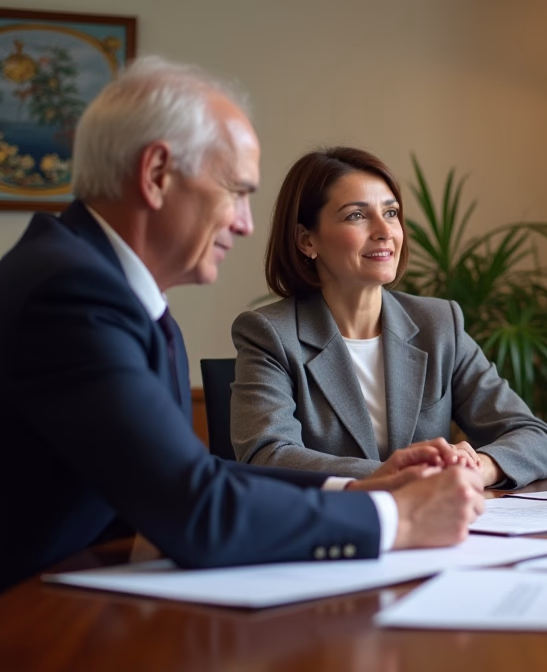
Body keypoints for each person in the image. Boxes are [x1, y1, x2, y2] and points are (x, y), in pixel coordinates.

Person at [0, 57, 486, 593]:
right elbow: (194, 508)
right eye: (236, 190)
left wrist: (359, 490)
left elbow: (189, 478)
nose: (246, 223)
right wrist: (400, 520)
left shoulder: (98, 283)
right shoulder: (71, 295)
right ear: (157, 175)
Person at [229, 147, 547, 489]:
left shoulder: (439, 323)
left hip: (437, 531)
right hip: (334, 532)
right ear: (306, 240)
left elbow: (535, 437)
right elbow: (267, 455)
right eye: (356, 216)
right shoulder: (270, 334)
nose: (384, 231)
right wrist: (394, 476)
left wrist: (479, 468)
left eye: (391, 212)